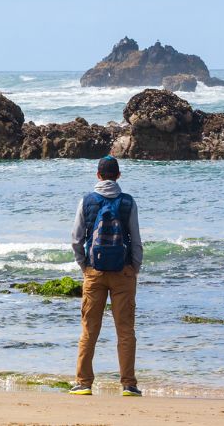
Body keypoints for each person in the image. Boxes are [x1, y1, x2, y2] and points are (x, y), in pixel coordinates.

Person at [67, 154, 143, 397]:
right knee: (125, 331)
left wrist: (85, 267)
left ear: (98, 175)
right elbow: (136, 241)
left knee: (89, 330)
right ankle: (129, 384)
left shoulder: (87, 201)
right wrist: (134, 269)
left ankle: (83, 383)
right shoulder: (128, 202)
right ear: (118, 176)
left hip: (94, 272)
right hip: (123, 273)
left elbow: (76, 240)